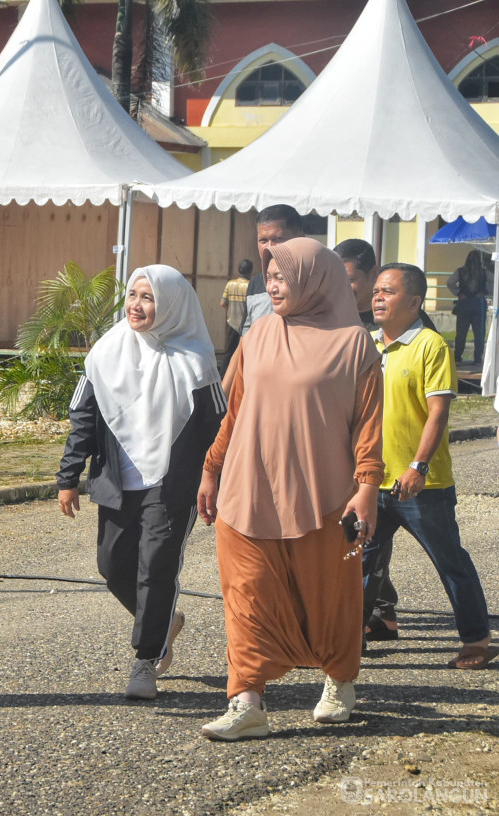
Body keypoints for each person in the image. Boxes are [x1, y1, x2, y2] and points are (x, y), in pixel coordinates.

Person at [197, 238, 383, 741]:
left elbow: (368, 424)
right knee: (246, 594)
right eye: (270, 277)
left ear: (315, 278)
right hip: (247, 489)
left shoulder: (354, 344)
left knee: (331, 596)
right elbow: (236, 411)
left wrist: (367, 486)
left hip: (325, 496)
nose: (274, 286)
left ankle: (340, 680)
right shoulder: (257, 335)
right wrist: (212, 467)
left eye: (284, 277)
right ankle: (247, 700)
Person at [57, 265, 226, 701]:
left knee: (156, 568)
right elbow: (84, 418)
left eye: (148, 298)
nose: (136, 305)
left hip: (174, 483)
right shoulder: (106, 352)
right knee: (111, 565)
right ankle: (164, 621)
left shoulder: (196, 359)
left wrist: (216, 479)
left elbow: (219, 426)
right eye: (133, 295)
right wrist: (68, 475)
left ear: (171, 304)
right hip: (118, 479)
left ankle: (146, 659)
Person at [363, 263, 497, 670]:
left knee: (449, 561)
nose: (378, 298)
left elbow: (438, 414)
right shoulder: (368, 344)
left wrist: (418, 466)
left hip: (422, 484)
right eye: (376, 291)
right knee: (360, 562)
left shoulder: (430, 346)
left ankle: (477, 639)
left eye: (388, 291)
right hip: (374, 481)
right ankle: (346, 640)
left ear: (415, 302)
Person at [334, 238, 398, 642]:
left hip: (381, 457)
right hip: (344, 450)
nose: (345, 289)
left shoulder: (389, 324)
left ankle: (352, 624)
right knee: (364, 543)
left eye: (352, 281)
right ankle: (380, 612)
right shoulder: (335, 319)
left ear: (373, 275)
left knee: (367, 542)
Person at [238, 204, 304, 337]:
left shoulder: (312, 281)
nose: (269, 247)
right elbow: (246, 332)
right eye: (263, 241)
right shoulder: (255, 283)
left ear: (300, 238)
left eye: (278, 239)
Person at [447, 249, 494, 365]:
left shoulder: (460, 271)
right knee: (479, 333)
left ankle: (458, 358)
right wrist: (486, 291)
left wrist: (458, 293)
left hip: (465, 303)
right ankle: (477, 359)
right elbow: (494, 281)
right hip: (478, 303)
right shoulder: (484, 271)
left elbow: (450, 282)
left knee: (461, 333)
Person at [220, 259, 252, 371]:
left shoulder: (230, 284)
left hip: (231, 323)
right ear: (250, 271)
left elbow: (223, 303)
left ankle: (223, 375)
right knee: (246, 352)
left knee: (228, 351)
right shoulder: (250, 285)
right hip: (246, 326)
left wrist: (231, 311)